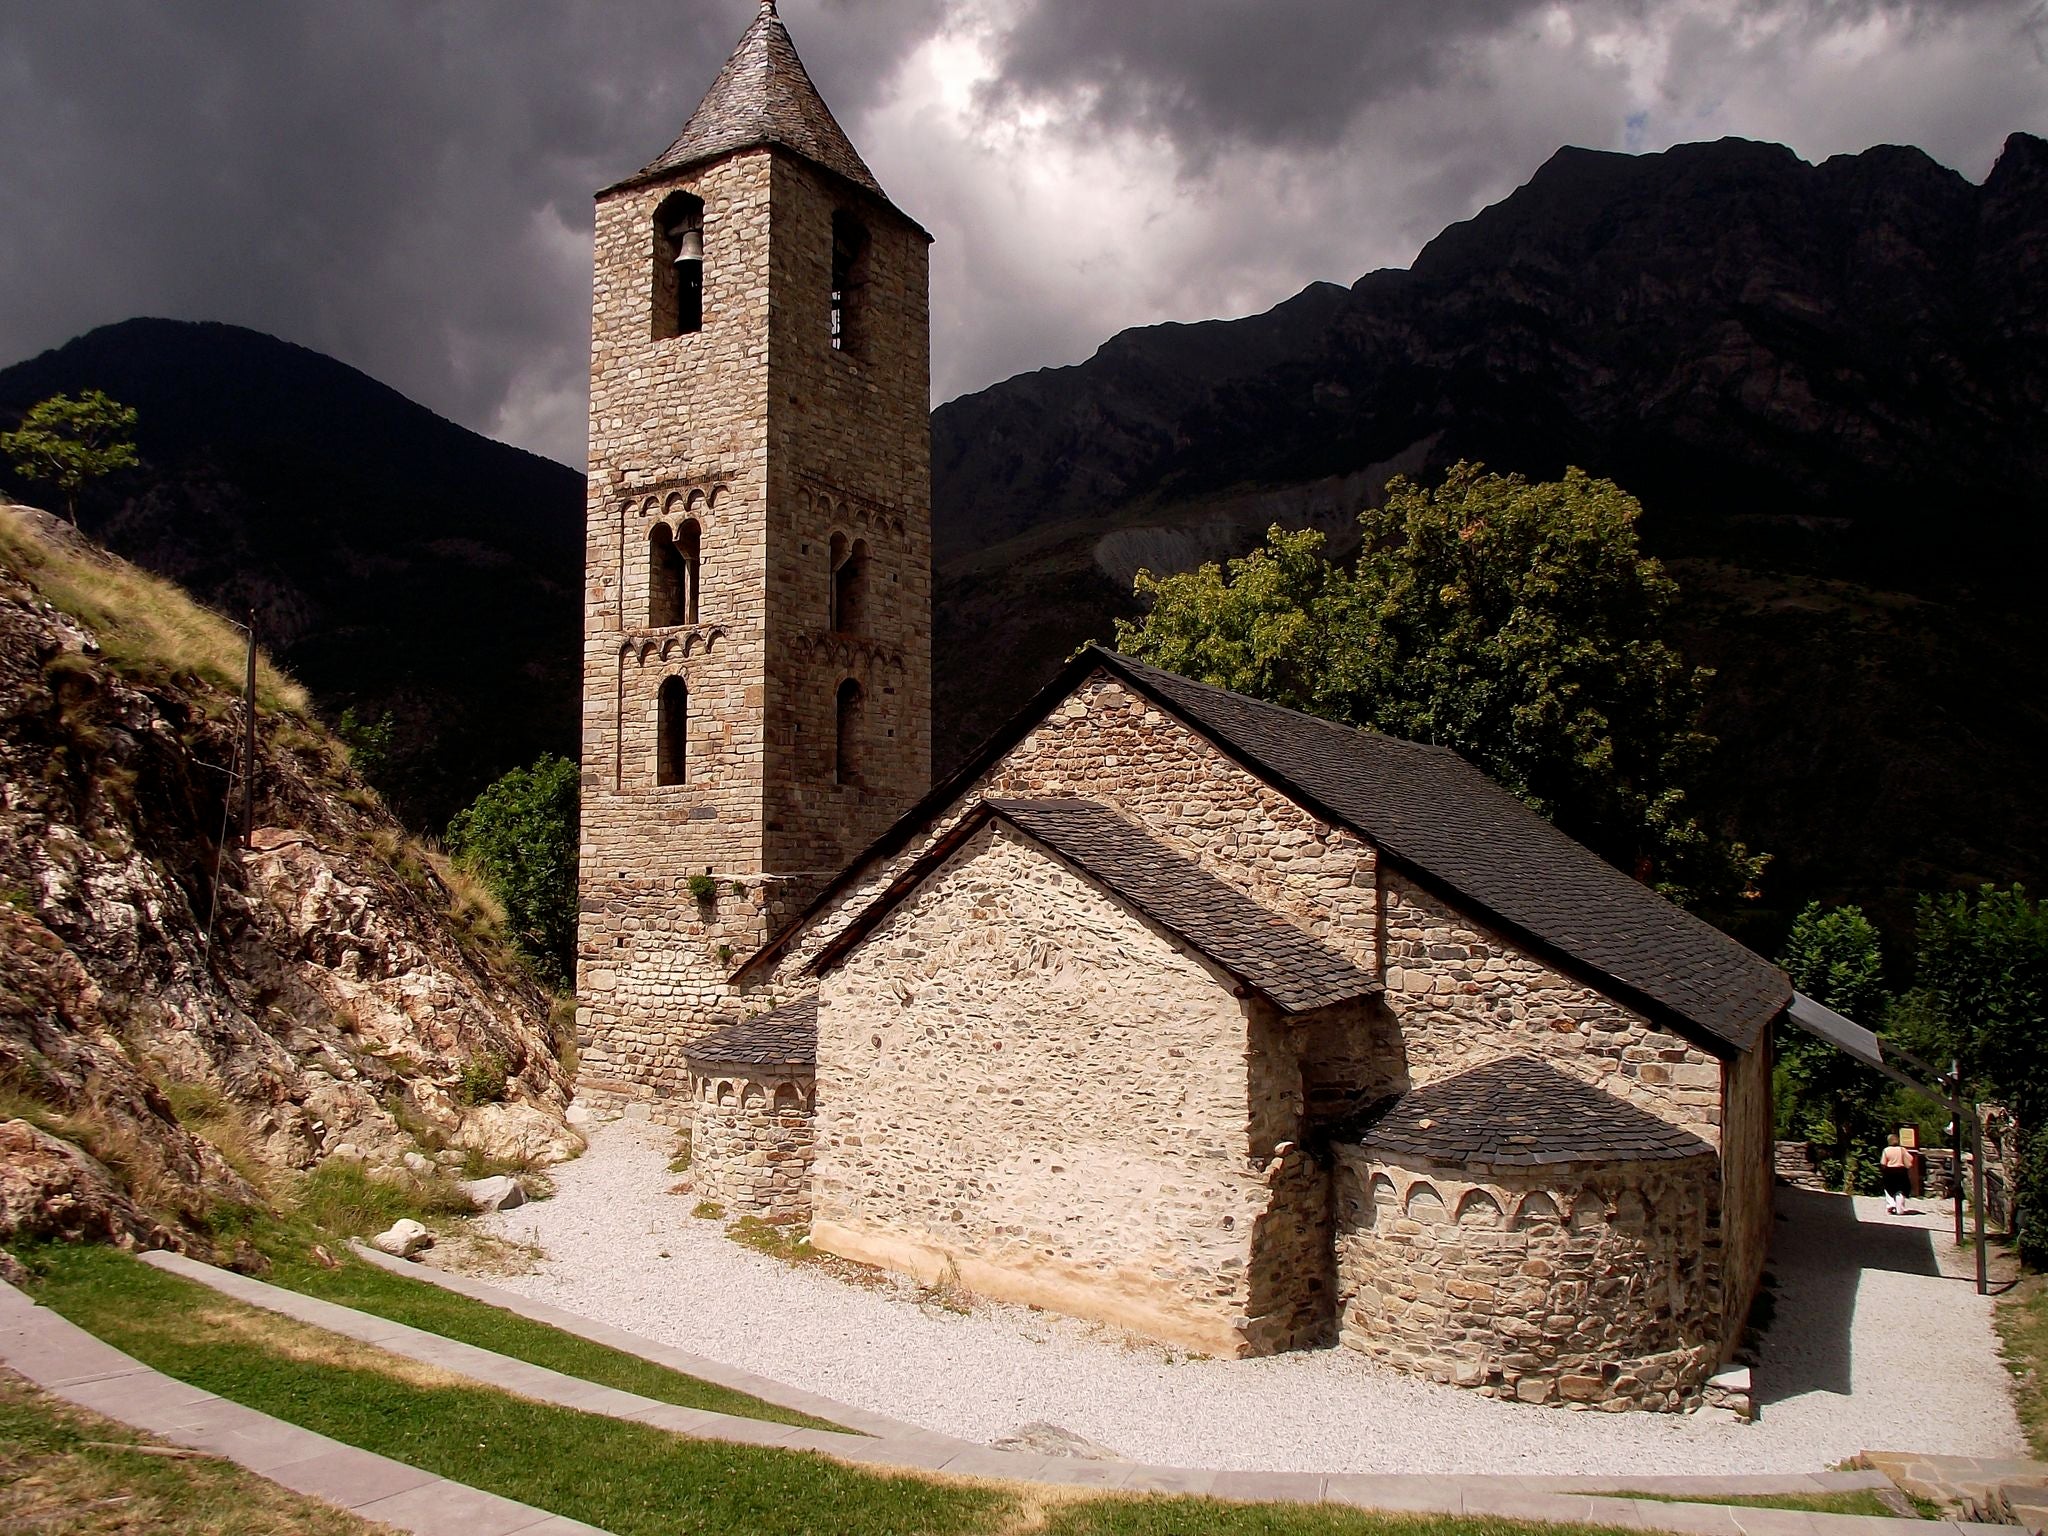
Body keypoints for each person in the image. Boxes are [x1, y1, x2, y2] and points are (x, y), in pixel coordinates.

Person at [1881, 1134, 1914, 1215]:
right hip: (1901, 1171)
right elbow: (1910, 1159)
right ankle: (1900, 1209)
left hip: (1889, 1171)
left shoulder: (1886, 1150)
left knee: (1888, 1188)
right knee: (1900, 1190)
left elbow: (1883, 1162)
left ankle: (1891, 1205)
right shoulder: (1902, 1149)